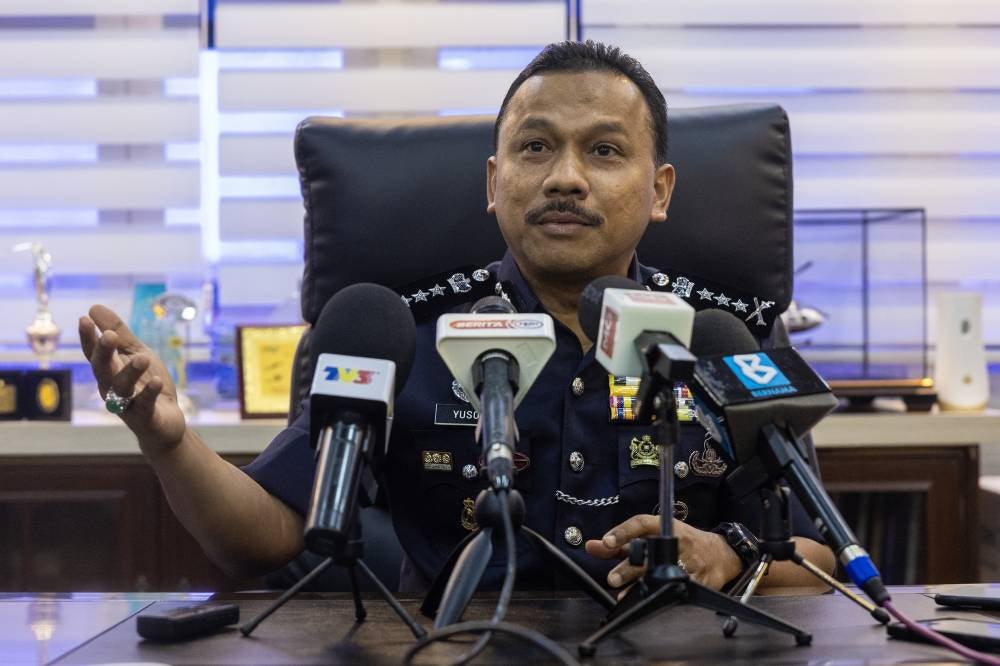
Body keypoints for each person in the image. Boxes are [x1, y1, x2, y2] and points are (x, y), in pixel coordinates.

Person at [79, 40, 835, 597]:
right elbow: (268, 534)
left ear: (661, 190)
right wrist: (168, 440)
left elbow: (827, 556)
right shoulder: (402, 335)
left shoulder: (719, 336)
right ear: (494, 180)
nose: (565, 177)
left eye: (604, 151)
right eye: (535, 147)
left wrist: (733, 558)